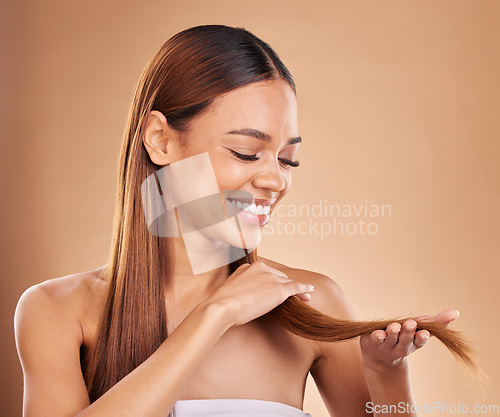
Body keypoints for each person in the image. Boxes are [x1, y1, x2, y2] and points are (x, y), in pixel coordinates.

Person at [14, 25, 469, 417]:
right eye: (246, 153)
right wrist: (216, 314)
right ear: (160, 141)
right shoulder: (57, 311)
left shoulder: (312, 303)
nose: (275, 180)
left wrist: (387, 374)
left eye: (288, 159)